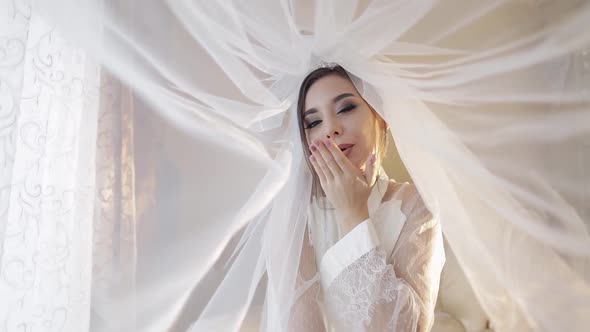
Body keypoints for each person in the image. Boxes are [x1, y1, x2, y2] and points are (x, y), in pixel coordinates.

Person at [288, 65, 446, 332]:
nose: (330, 129)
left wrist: (353, 213)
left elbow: (406, 328)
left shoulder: (415, 205)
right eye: (313, 122)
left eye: (346, 108)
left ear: (379, 117)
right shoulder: (298, 218)